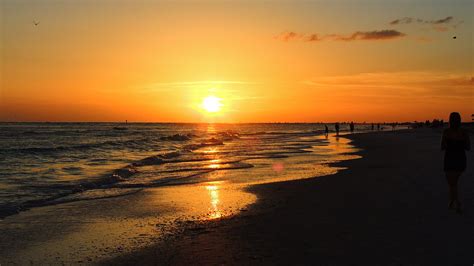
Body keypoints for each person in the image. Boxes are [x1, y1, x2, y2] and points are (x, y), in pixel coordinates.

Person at [441, 112, 470, 213]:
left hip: (450, 160)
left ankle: (457, 203)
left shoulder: (446, 132)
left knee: (452, 184)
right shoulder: (464, 132)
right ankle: (451, 201)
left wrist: (450, 143)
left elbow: (442, 147)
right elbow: (468, 147)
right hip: (461, 160)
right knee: (454, 183)